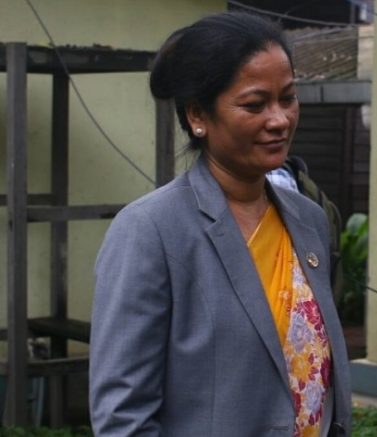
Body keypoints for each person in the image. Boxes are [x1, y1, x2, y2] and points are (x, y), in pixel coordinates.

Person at [89, 12, 351, 437]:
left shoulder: (309, 220)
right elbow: (123, 417)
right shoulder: (151, 231)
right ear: (198, 115)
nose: (280, 120)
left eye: (288, 98)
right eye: (255, 105)